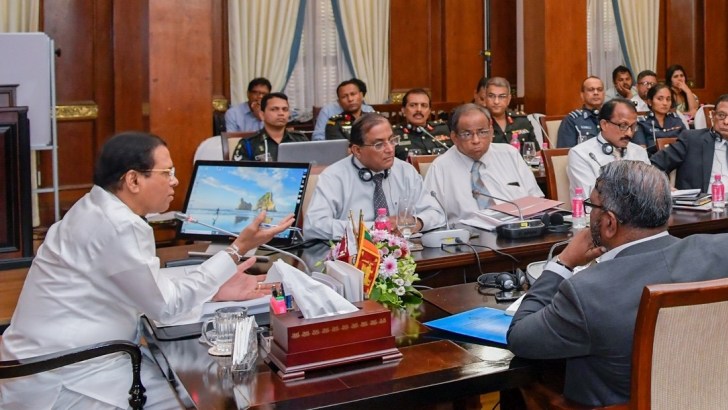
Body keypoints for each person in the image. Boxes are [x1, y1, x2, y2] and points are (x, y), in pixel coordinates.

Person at [0, 132, 293, 409]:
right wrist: (236, 249)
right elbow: (165, 306)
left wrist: (213, 290)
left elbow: (137, 282)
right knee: (201, 396)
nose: (175, 182)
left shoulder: (95, 207)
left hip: (54, 361)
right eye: (167, 173)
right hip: (69, 374)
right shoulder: (120, 225)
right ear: (133, 180)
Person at [507, 160, 728, 407]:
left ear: (610, 223)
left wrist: (563, 263)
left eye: (591, 207)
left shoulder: (586, 292)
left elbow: (520, 338)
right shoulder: (721, 250)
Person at [304, 113, 445, 240]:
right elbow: (315, 225)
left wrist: (415, 222)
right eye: (379, 144)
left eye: (392, 140)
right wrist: (373, 229)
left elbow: (436, 213)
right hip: (352, 259)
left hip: (402, 254)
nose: (390, 149)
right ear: (357, 150)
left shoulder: (405, 171)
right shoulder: (333, 177)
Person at [423, 104, 543, 226]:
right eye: (467, 134)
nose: (476, 140)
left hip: (518, 230)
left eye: (482, 132)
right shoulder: (440, 167)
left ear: (491, 132)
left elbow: (536, 199)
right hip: (469, 238)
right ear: (454, 137)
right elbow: (432, 213)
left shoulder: (510, 154)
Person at [567, 98, 649, 196]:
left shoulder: (639, 152)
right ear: (604, 124)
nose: (629, 133)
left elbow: (649, 193)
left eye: (633, 126)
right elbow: (590, 201)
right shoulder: (580, 154)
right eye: (623, 126)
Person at [651, 94, 728, 192]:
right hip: (698, 205)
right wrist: (663, 186)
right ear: (713, 115)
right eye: (721, 115)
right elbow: (653, 165)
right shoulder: (692, 140)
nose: (726, 121)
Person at [231, 92, 307, 161]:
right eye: (274, 109)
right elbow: (238, 173)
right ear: (262, 115)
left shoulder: (300, 140)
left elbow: (314, 169)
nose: (281, 113)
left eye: (285, 109)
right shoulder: (248, 144)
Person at [476, 77, 540, 152]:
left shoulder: (522, 121)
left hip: (521, 163)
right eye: (491, 96)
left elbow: (536, 153)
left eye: (502, 96)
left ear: (509, 99)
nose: (496, 101)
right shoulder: (478, 123)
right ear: (485, 98)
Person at [392, 88, 451, 160]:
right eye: (413, 105)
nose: (419, 109)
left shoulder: (443, 128)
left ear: (429, 111)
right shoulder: (393, 133)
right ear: (403, 110)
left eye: (424, 105)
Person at [632, 83, 686, 155]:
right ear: (650, 102)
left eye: (668, 99)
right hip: (653, 163)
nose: (665, 103)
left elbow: (688, 143)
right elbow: (641, 152)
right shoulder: (641, 123)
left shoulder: (676, 120)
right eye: (660, 99)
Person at [556, 77, 605, 148]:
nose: (596, 93)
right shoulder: (572, 120)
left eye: (599, 90)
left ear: (603, 94)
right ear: (582, 95)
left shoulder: (611, 118)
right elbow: (565, 153)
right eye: (591, 90)